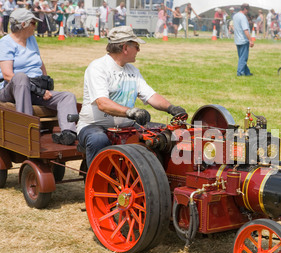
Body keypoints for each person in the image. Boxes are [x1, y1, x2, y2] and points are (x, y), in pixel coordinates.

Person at [77, 26, 187, 167]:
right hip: (94, 126)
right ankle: (95, 182)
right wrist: (130, 112)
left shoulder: (133, 71)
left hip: (126, 126)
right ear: (125, 48)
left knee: (162, 136)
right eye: (136, 46)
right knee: (98, 139)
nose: (139, 50)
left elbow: (151, 96)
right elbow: (102, 103)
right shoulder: (98, 67)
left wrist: (171, 108)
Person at [0, 8, 78, 145]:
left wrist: (45, 82)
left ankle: (68, 133)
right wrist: (39, 91)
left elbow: (40, 64)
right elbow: (7, 75)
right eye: (33, 23)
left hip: (34, 88)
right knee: (20, 77)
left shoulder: (31, 40)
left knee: (67, 96)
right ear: (23, 25)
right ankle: (26, 131)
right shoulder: (5, 43)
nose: (36, 26)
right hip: (12, 89)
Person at [233, 3, 254, 77]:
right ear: (245, 9)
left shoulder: (235, 16)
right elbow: (245, 30)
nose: (247, 11)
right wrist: (250, 40)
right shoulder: (243, 17)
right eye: (247, 10)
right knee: (243, 58)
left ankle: (247, 72)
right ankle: (240, 73)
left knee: (241, 57)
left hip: (237, 40)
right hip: (243, 40)